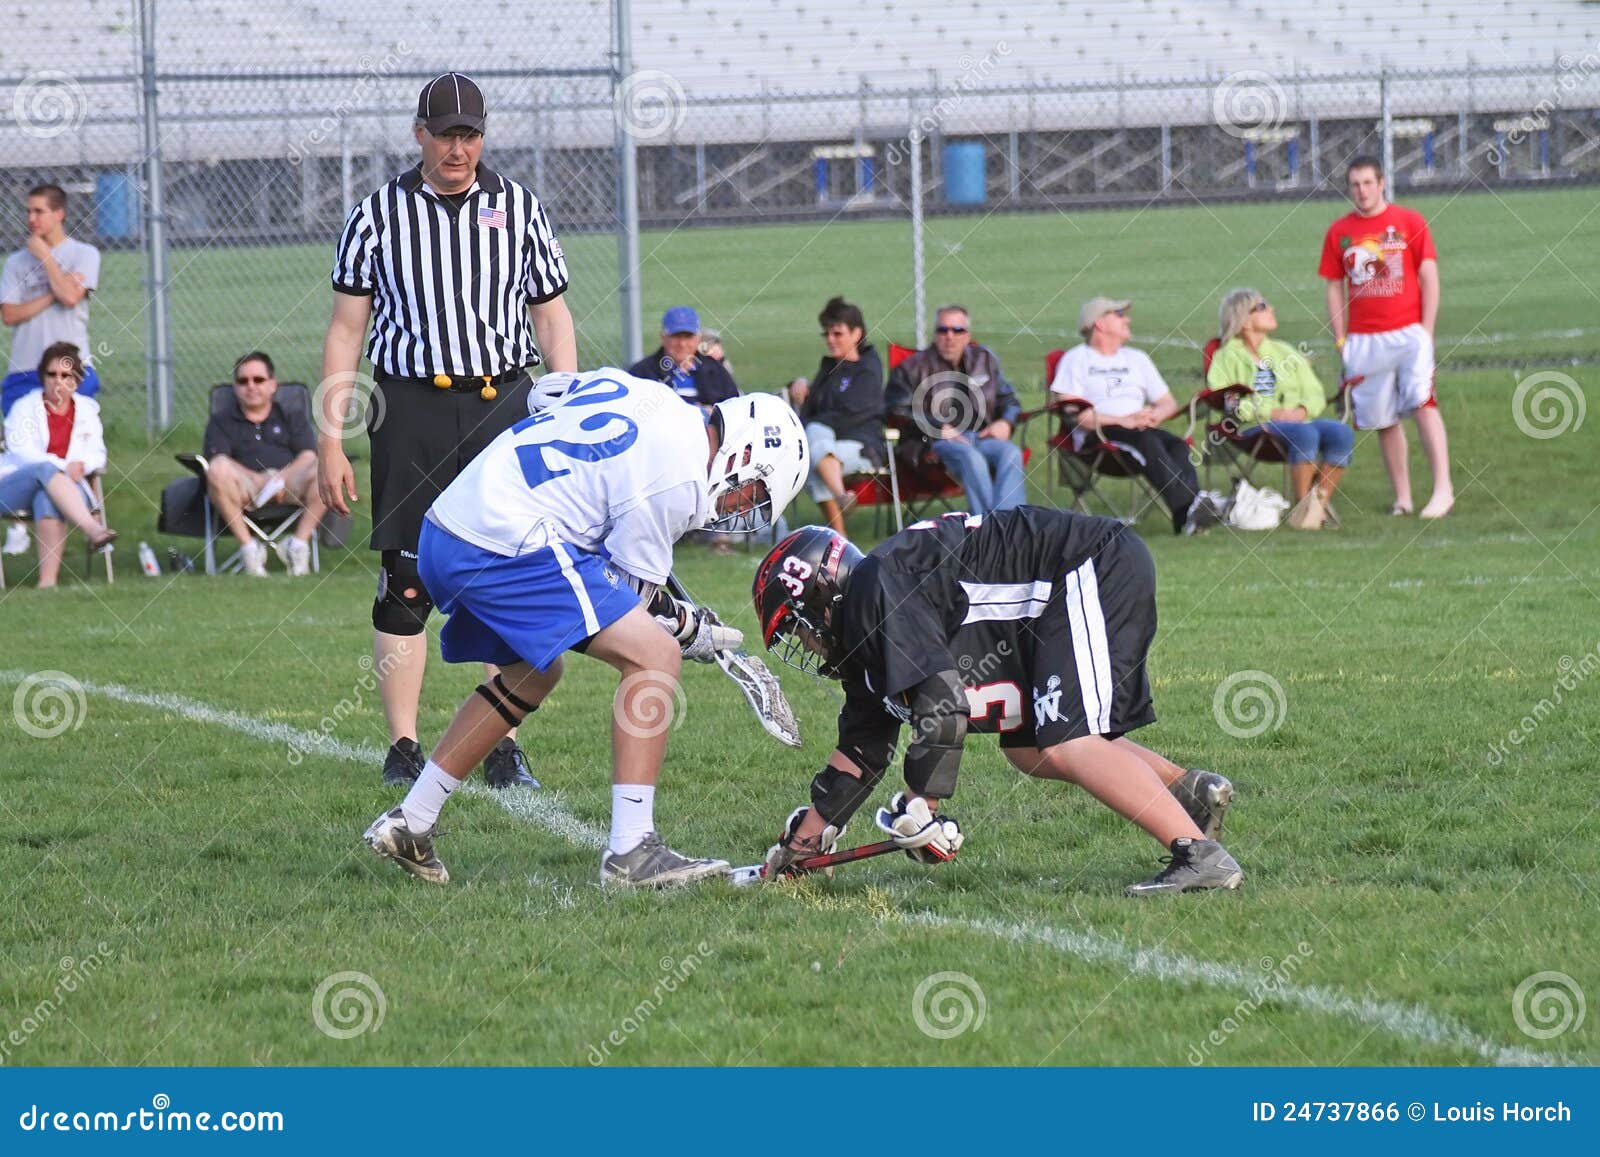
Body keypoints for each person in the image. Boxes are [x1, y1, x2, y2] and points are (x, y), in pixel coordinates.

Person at [363, 370, 808, 887]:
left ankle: (412, 821)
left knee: (533, 673)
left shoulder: (653, 396)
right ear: (743, 455)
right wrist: (689, 631)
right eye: (750, 492)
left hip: (448, 526)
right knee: (654, 657)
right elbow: (634, 599)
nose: (737, 506)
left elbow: (546, 391)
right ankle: (632, 851)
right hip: (504, 536)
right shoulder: (683, 479)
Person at [751, 510, 1243, 896]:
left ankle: (1200, 856)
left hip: (1090, 563)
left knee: (1072, 743)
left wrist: (925, 807)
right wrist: (804, 842)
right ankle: (1189, 795)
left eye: (800, 627)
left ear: (822, 595)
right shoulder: (869, 615)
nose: (809, 643)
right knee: (1031, 750)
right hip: (1063, 585)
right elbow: (862, 751)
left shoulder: (874, 590)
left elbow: (942, 703)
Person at [319, 71, 577, 790]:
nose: (458, 148)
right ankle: (403, 746)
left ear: (482, 136)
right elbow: (347, 330)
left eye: (469, 134)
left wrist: (561, 398)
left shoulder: (519, 207)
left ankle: (502, 743)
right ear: (419, 134)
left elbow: (550, 314)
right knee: (406, 577)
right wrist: (330, 437)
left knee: (507, 570)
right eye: (445, 134)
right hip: (411, 407)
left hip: (504, 403)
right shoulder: (377, 215)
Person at [1321, 155, 1453, 519]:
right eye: (1355, 185)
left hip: (1408, 332)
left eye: (1368, 183)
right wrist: (1340, 338)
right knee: (1383, 419)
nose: (1362, 191)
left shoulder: (1409, 221)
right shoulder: (1339, 232)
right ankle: (1403, 498)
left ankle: (1443, 489)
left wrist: (1426, 330)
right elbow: (1334, 286)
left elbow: (1429, 277)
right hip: (1364, 339)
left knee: (1423, 404)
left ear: (1381, 183)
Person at [1051, 297, 1226, 535]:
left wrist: (1153, 415)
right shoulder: (1076, 359)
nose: (1128, 319)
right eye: (1120, 314)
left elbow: (1168, 403)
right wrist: (1123, 421)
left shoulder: (1137, 358)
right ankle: (1192, 512)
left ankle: (1188, 517)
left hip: (1141, 428)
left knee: (1177, 446)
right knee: (1148, 444)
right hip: (1101, 435)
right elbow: (1072, 414)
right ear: (1100, 323)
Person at [1209, 290, 1354, 530]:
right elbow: (1227, 401)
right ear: (1244, 320)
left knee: (1341, 433)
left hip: (1298, 422)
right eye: (1263, 306)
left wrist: (1302, 411)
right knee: (1306, 435)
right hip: (1253, 427)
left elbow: (1314, 392)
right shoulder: (1226, 357)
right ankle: (1305, 511)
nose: (1272, 309)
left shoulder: (1284, 351)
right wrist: (1270, 412)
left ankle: (1312, 510)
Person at [885, 305, 1025, 516]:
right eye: (943, 330)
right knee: (971, 457)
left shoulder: (984, 360)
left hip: (982, 437)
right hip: (933, 444)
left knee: (1011, 452)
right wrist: (936, 426)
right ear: (935, 334)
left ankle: (1011, 525)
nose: (950, 336)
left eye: (957, 330)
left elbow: (1009, 400)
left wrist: (1006, 421)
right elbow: (894, 410)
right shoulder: (912, 368)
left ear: (967, 335)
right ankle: (986, 529)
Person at [0, 343, 115, 587]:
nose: (57, 381)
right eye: (51, 375)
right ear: (42, 377)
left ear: (76, 380)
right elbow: (20, 451)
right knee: (45, 469)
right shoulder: (24, 408)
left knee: (47, 497)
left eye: (65, 375)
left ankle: (47, 584)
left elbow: (99, 454)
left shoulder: (87, 411)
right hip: (14, 488)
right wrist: (62, 467)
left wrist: (83, 465)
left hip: (69, 491)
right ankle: (93, 529)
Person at [201, 352, 326, 575]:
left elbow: (308, 455)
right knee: (217, 469)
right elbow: (217, 458)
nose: (251, 386)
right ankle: (249, 550)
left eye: (258, 380)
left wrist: (279, 480)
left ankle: (297, 546)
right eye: (243, 381)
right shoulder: (222, 420)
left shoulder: (291, 415)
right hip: (244, 487)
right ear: (235, 387)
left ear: (272, 384)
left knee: (324, 469)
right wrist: (260, 480)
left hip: (289, 484)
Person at [1, 185, 102, 416]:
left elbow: (69, 298)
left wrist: (45, 257)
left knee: (71, 437)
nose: (31, 218)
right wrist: (53, 293)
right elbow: (9, 314)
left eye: (39, 211)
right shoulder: (15, 263)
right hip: (25, 365)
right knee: (23, 441)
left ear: (59, 214)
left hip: (70, 366)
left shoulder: (84, 254)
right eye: (28, 212)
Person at [787, 296, 885, 535]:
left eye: (837, 333)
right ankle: (841, 503)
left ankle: (839, 536)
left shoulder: (868, 371)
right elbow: (817, 406)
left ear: (856, 333)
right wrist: (799, 384)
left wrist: (814, 424)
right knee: (816, 451)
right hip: (828, 447)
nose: (830, 340)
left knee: (814, 452)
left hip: (863, 447)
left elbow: (850, 414)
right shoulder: (830, 368)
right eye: (827, 334)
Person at [628, 306, 740, 418]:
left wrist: (715, 415)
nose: (682, 344)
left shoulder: (715, 370)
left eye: (688, 337)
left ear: (698, 338)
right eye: (676, 337)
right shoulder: (642, 372)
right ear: (663, 337)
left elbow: (735, 409)